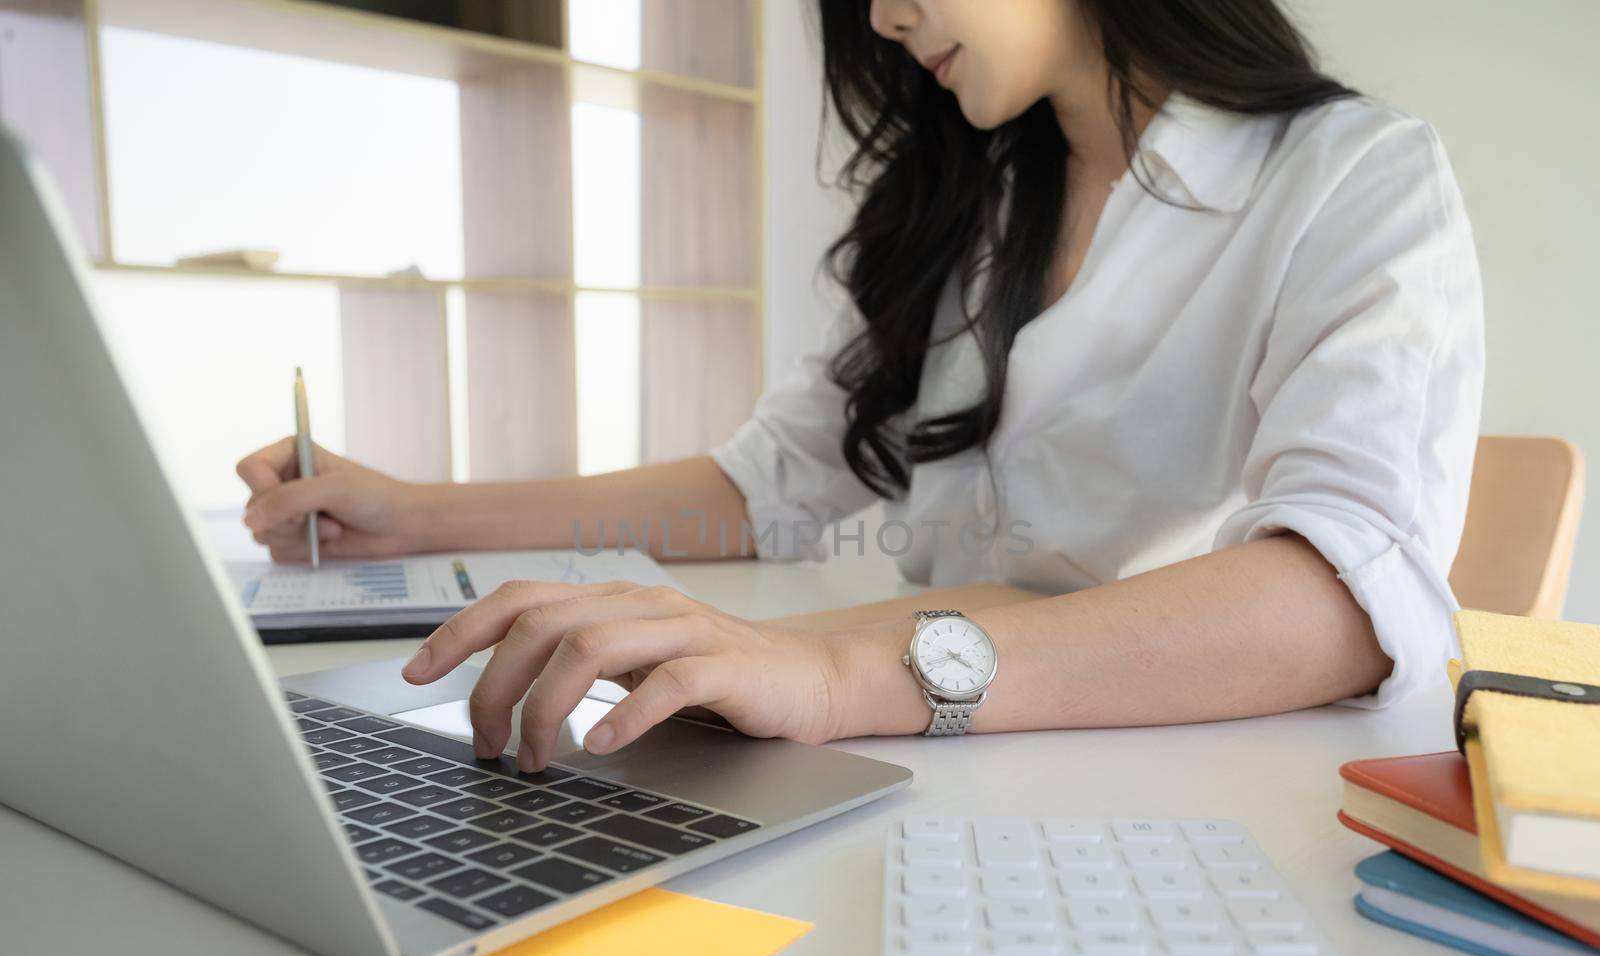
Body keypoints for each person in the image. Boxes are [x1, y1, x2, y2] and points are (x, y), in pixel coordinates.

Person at [236, 0, 1483, 773]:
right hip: (911, 750)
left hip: (1169, 786)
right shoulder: (965, 203)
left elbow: (1339, 597)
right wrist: (415, 514)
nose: (883, 18)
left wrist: (841, 678)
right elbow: (760, 486)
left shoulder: (1353, 175)